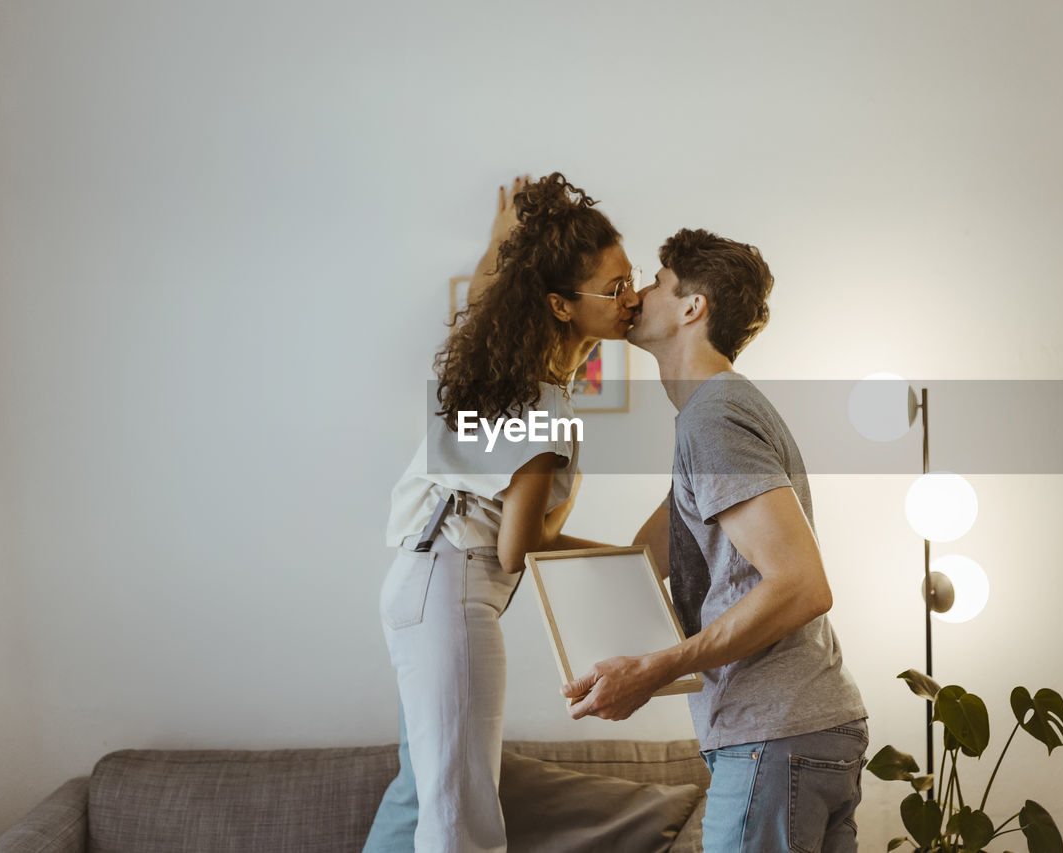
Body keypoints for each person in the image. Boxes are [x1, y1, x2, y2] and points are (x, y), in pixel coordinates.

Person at [562, 229, 869, 852]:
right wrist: (503, 547)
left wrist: (652, 670)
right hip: (799, 731)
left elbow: (803, 586)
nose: (639, 294)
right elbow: (640, 561)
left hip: (775, 733)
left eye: (656, 282)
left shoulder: (714, 418)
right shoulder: (708, 418)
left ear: (691, 308)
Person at [364, 173, 639, 853]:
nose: (630, 298)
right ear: (559, 305)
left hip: (421, 581)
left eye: (630, 280)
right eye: (613, 289)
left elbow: (491, 290)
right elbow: (519, 548)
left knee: (419, 796)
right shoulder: (541, 405)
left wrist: (498, 243)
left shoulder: (508, 373)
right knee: (461, 821)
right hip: (453, 591)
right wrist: (629, 562)